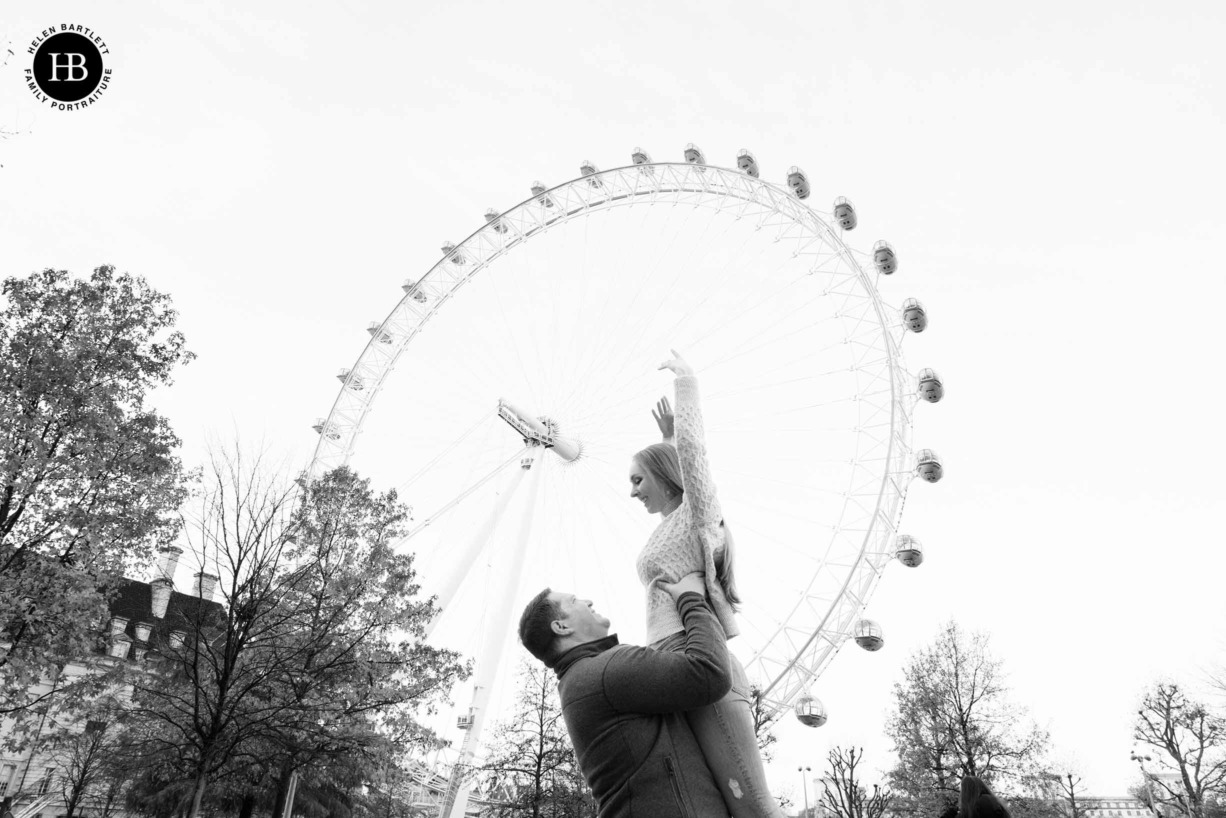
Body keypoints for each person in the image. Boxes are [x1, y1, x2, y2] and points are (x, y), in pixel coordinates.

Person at [629, 349, 783, 818]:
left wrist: (687, 383)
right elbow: (682, 467)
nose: (632, 490)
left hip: (697, 659)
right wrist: (668, 441)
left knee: (753, 809)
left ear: (664, 478)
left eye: (638, 479)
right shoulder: (670, 526)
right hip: (669, 664)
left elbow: (694, 461)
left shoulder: (697, 518)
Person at [518, 572, 732, 818]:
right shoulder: (606, 671)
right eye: (575, 600)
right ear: (562, 626)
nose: (588, 602)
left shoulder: (579, 680)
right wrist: (691, 598)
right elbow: (710, 673)